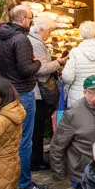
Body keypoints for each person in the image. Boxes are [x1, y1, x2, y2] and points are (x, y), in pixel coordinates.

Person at [0, 4, 45, 189]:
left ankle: (9, 176)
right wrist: (38, 62)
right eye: (30, 18)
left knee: (10, 137)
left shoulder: (0, 33)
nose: (32, 22)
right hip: (22, 92)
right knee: (24, 139)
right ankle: (23, 183)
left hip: (6, 90)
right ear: (22, 19)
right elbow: (25, 69)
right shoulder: (21, 39)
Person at [51, 74, 95, 185]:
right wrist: (59, 173)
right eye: (94, 93)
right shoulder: (73, 113)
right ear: (85, 93)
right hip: (81, 173)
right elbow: (58, 145)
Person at [30, 12, 60, 172]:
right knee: (37, 127)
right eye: (49, 32)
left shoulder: (35, 40)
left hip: (35, 90)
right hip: (37, 91)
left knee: (37, 127)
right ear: (41, 29)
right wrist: (58, 63)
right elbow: (41, 69)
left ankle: (36, 158)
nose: (50, 35)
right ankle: (36, 161)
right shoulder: (36, 43)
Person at [62, 21, 95, 109]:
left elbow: (68, 77)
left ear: (81, 34)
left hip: (78, 96)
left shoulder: (75, 52)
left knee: (79, 121)